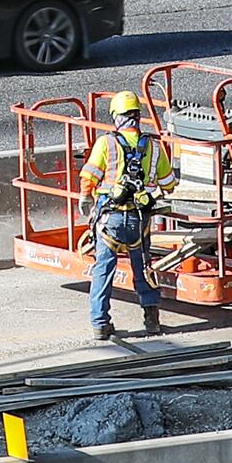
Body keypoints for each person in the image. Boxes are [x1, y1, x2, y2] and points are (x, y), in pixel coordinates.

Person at [78, 89, 175, 340]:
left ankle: (100, 323)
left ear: (116, 117)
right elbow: (169, 184)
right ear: (137, 116)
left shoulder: (106, 143)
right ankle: (152, 320)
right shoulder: (153, 146)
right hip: (139, 220)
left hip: (109, 220)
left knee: (103, 270)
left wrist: (85, 198)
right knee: (143, 268)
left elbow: (88, 177)